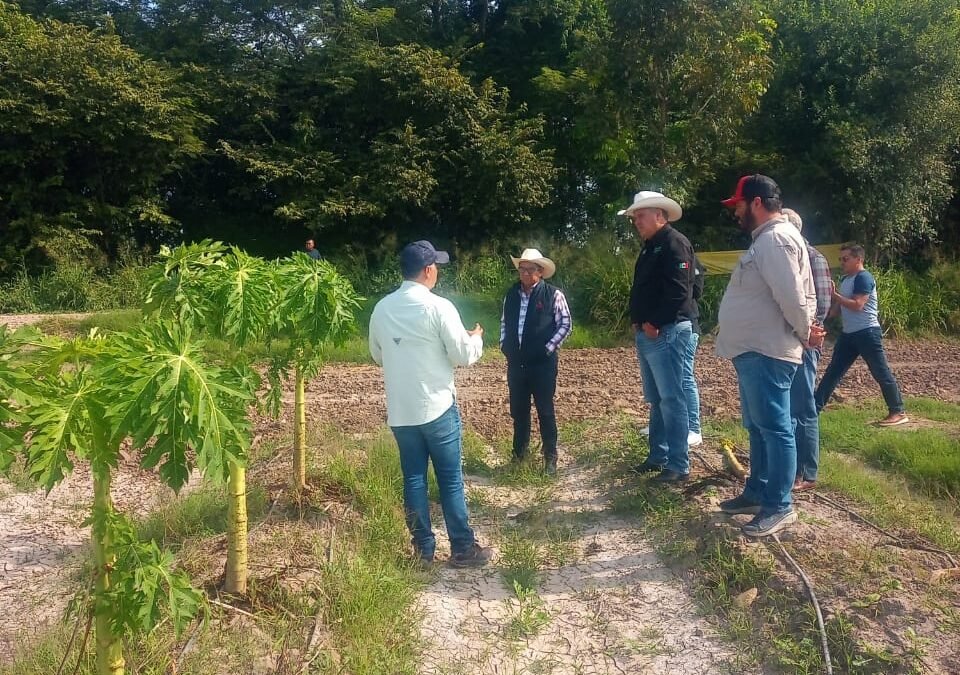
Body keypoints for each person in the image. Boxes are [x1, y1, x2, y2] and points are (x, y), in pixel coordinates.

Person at [369, 240, 492, 567]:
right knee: (450, 479)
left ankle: (422, 551)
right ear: (427, 270)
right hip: (437, 407)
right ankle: (462, 549)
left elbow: (378, 354)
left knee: (413, 479)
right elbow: (462, 355)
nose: (437, 270)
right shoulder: (439, 307)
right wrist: (476, 339)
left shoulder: (382, 308)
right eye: (435, 265)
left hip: (401, 410)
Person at [716, 175, 823, 537]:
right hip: (755, 351)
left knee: (775, 428)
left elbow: (792, 297)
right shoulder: (767, 239)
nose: (736, 212)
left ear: (757, 203)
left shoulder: (776, 239)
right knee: (760, 426)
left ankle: (779, 505)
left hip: (768, 351)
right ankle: (758, 492)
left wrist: (805, 332)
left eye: (739, 205)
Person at [620, 190, 696, 483]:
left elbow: (680, 291)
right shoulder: (650, 246)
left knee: (672, 399)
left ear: (659, 215)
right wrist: (638, 321)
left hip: (666, 331)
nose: (636, 221)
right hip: (651, 332)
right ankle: (658, 456)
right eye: (635, 217)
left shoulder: (675, 243)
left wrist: (653, 322)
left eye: (640, 215)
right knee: (658, 399)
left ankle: (678, 465)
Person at [814, 244, 908, 426]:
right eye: (841, 259)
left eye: (846, 259)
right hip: (849, 334)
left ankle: (898, 411)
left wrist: (835, 295)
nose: (842, 262)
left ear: (858, 259)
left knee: (880, 372)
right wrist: (818, 315)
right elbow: (836, 310)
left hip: (867, 333)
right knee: (833, 372)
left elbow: (858, 305)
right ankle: (814, 408)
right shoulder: (846, 279)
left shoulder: (864, 278)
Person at [499, 248, 572, 476]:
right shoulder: (511, 295)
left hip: (543, 364)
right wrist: (504, 345)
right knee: (519, 411)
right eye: (522, 269)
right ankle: (519, 456)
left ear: (540, 272)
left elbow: (565, 324)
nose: (525, 273)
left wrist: (548, 348)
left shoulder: (553, 295)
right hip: (516, 364)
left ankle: (550, 458)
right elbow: (504, 323)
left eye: (530, 269)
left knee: (545, 411)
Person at [782, 208, 832, 492]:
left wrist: (804, 332)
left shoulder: (813, 257)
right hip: (784, 343)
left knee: (803, 407)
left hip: (805, 343)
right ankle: (791, 468)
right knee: (788, 408)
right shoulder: (786, 257)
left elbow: (821, 306)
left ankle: (807, 472)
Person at [684, 256, 706, 447]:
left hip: (688, 326)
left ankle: (694, 428)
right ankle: (663, 424)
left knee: (685, 377)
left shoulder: (688, 257)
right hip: (667, 327)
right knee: (666, 380)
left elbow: (696, 292)